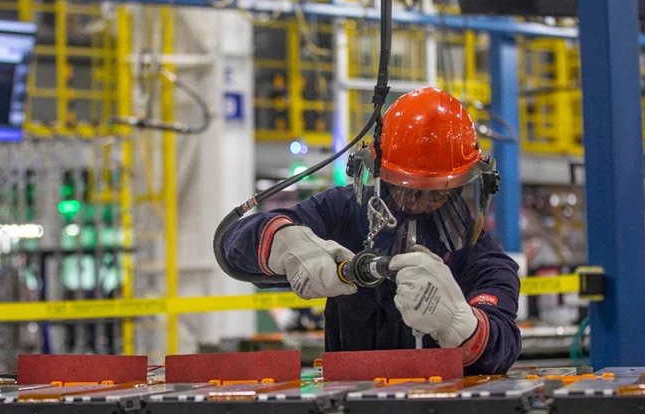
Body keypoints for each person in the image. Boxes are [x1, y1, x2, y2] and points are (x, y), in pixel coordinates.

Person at [221, 87, 521, 374]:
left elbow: (504, 342)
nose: (416, 201)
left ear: (462, 185)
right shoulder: (342, 212)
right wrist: (284, 244)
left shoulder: (481, 257)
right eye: (404, 187)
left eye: (434, 191)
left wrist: (462, 325)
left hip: (441, 404)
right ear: (378, 174)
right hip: (347, 403)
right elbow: (234, 244)